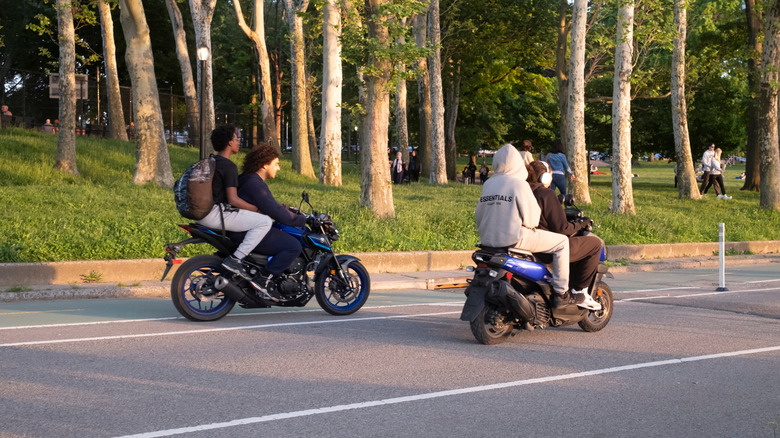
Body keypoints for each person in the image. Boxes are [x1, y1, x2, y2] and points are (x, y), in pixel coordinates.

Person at [475, 144, 586, 309]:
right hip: (513, 239)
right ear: (518, 164)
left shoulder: (488, 184)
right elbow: (532, 220)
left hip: (486, 240)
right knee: (562, 242)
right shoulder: (519, 184)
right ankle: (562, 292)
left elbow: (479, 215)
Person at [195, 125, 274, 291]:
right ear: (229, 143)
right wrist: (258, 209)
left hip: (200, 213)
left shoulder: (212, 161)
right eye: (237, 139)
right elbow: (234, 200)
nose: (239, 142)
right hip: (215, 214)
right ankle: (236, 260)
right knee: (264, 221)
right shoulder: (228, 166)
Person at [526, 160, 601, 310]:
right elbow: (562, 228)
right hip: (547, 247)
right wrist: (581, 224)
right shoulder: (546, 193)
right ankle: (579, 291)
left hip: (527, 244)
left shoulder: (523, 192)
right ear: (546, 177)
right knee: (595, 245)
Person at [236, 143, 307, 299]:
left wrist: (283, 207)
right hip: (246, 231)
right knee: (293, 246)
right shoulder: (255, 184)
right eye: (276, 164)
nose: (278, 168)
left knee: (277, 229)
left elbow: (267, 205)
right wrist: (302, 220)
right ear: (264, 165)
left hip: (241, 227)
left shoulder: (247, 179)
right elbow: (276, 212)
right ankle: (263, 279)